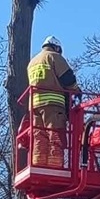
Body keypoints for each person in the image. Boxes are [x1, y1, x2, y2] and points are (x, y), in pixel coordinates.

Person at [26, 35, 81, 168]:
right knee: (55, 134)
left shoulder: (32, 62)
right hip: (53, 103)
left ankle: (38, 164)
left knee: (39, 136)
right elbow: (67, 79)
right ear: (56, 47)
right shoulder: (54, 57)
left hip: (34, 105)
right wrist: (76, 90)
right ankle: (55, 165)